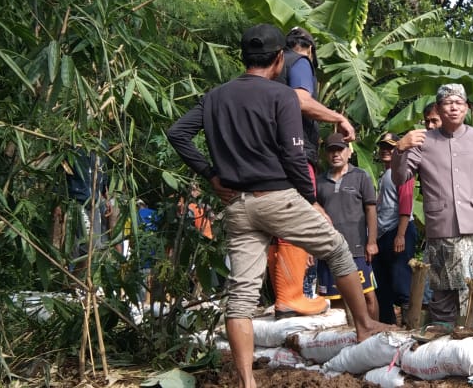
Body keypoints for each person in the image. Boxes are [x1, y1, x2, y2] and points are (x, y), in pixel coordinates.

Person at [166, 23, 391, 388]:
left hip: (237, 203)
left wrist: (210, 175)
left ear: (244, 58)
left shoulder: (215, 97)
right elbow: (293, 154)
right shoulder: (281, 96)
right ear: (278, 60)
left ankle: (246, 381)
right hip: (278, 197)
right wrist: (311, 200)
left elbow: (177, 133)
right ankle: (364, 327)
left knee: (241, 296)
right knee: (336, 248)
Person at [392, 84, 473, 327]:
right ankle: (445, 344)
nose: (453, 107)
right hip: (443, 226)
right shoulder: (421, 140)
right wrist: (400, 149)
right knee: (444, 294)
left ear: (467, 108)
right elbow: (400, 178)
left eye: (459, 103)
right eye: (447, 103)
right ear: (438, 109)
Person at [268, 26, 355, 315]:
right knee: (298, 219)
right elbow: (301, 101)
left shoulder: (270, 69)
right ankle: (292, 296)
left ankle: (283, 294)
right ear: (309, 48)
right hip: (295, 150)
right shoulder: (301, 62)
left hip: (269, 155)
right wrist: (338, 117)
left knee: (277, 225)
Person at [315, 133, 380, 320]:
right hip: (329, 250)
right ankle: (344, 338)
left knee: (367, 294)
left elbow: (371, 209)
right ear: (326, 155)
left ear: (348, 152)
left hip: (358, 247)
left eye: (340, 149)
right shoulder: (319, 183)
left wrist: (372, 241)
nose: (336, 154)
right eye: (331, 150)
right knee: (335, 298)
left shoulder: (361, 177)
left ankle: (374, 334)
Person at [372, 132, 417, 325]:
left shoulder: (402, 171)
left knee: (401, 282)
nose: (386, 151)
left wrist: (401, 234)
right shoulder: (384, 175)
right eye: (383, 147)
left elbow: (405, 204)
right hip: (383, 233)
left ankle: (410, 323)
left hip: (398, 230)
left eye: (391, 147)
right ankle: (387, 324)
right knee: (382, 284)